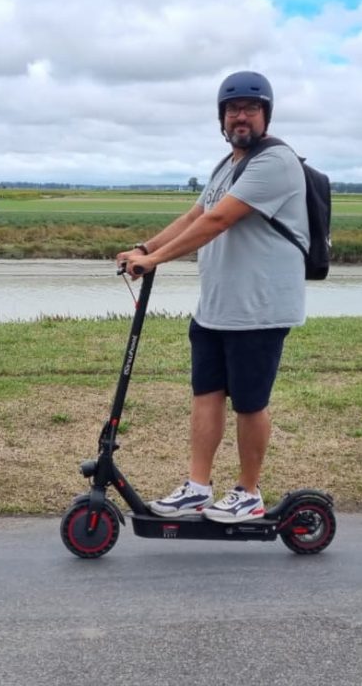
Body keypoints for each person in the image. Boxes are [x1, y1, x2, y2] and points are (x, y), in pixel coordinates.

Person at [116, 70, 308, 524]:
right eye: (232, 109)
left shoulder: (275, 162)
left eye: (251, 108)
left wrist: (156, 260)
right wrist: (146, 249)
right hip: (217, 307)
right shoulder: (226, 165)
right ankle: (197, 488)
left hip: (258, 310)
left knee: (249, 404)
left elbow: (218, 221)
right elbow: (196, 213)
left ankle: (248, 492)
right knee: (206, 395)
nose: (241, 116)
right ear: (222, 118)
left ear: (266, 115)